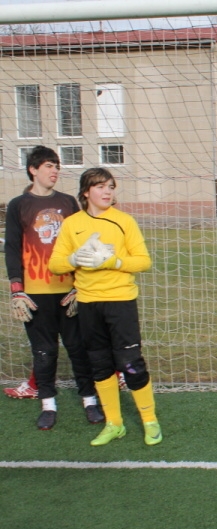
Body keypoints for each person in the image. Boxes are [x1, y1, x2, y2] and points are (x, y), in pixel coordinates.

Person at [48, 167, 162, 446]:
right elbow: (55, 264)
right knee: (99, 365)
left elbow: (143, 261)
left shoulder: (124, 221)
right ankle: (114, 424)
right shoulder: (72, 224)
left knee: (131, 364)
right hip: (88, 304)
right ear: (86, 192)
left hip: (120, 302)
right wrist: (75, 257)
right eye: (100, 187)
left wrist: (114, 262)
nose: (108, 192)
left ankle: (150, 421)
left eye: (111, 186)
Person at [4, 146, 102, 429]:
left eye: (57, 165)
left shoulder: (68, 202)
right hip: (35, 293)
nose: (55, 171)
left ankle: (89, 400)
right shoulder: (18, 205)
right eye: (49, 165)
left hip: (68, 292)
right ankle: (48, 403)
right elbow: (12, 249)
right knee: (44, 351)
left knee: (77, 347)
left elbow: (80, 244)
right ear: (33, 169)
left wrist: (80, 285)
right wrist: (17, 289)